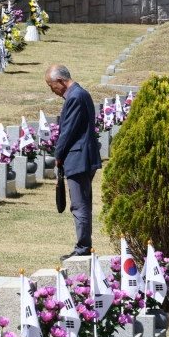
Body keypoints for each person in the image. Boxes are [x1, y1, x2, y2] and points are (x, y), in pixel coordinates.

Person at [44, 64, 101, 261]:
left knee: (79, 204)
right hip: (82, 156)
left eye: (51, 86)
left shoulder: (76, 96)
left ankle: (83, 247)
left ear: (60, 81)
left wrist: (58, 154)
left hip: (78, 157)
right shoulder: (80, 94)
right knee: (82, 202)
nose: (53, 90)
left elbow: (68, 130)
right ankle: (84, 245)